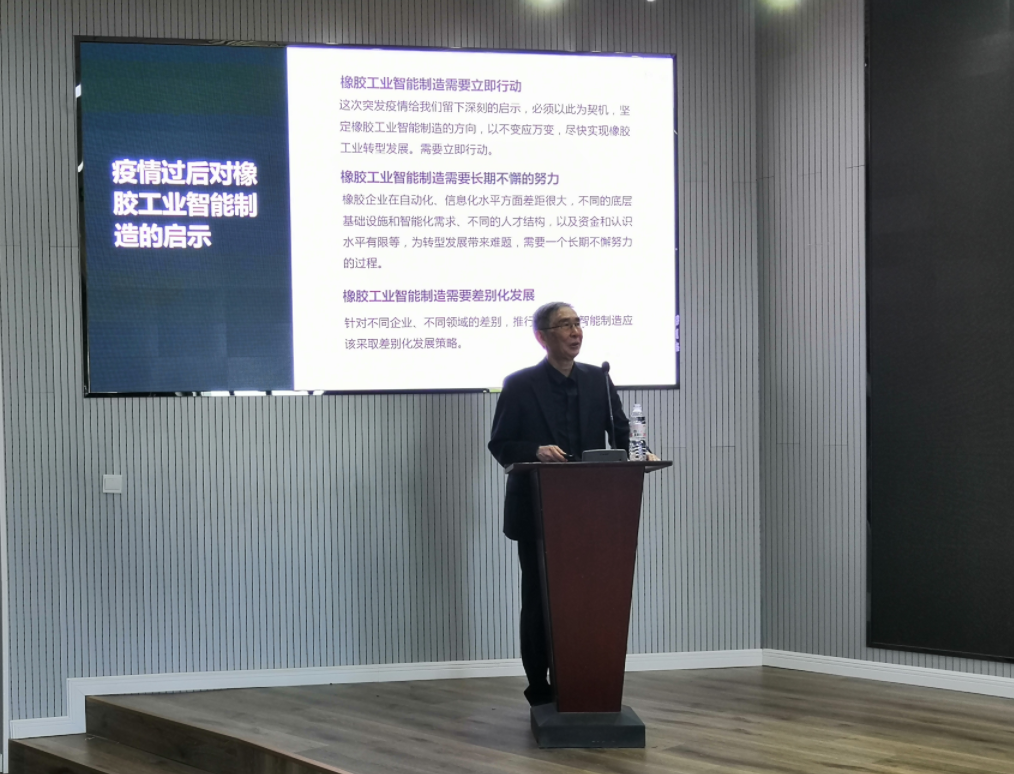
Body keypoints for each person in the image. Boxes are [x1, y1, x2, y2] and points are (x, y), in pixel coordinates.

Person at [487, 301, 634, 706]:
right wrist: (535, 450)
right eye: (565, 325)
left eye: (578, 323)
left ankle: (585, 679)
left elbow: (622, 433)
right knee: (539, 600)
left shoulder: (598, 380)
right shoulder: (519, 384)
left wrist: (641, 453)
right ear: (542, 336)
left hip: (592, 512)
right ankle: (539, 687)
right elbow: (500, 444)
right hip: (537, 512)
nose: (575, 331)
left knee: (589, 599)